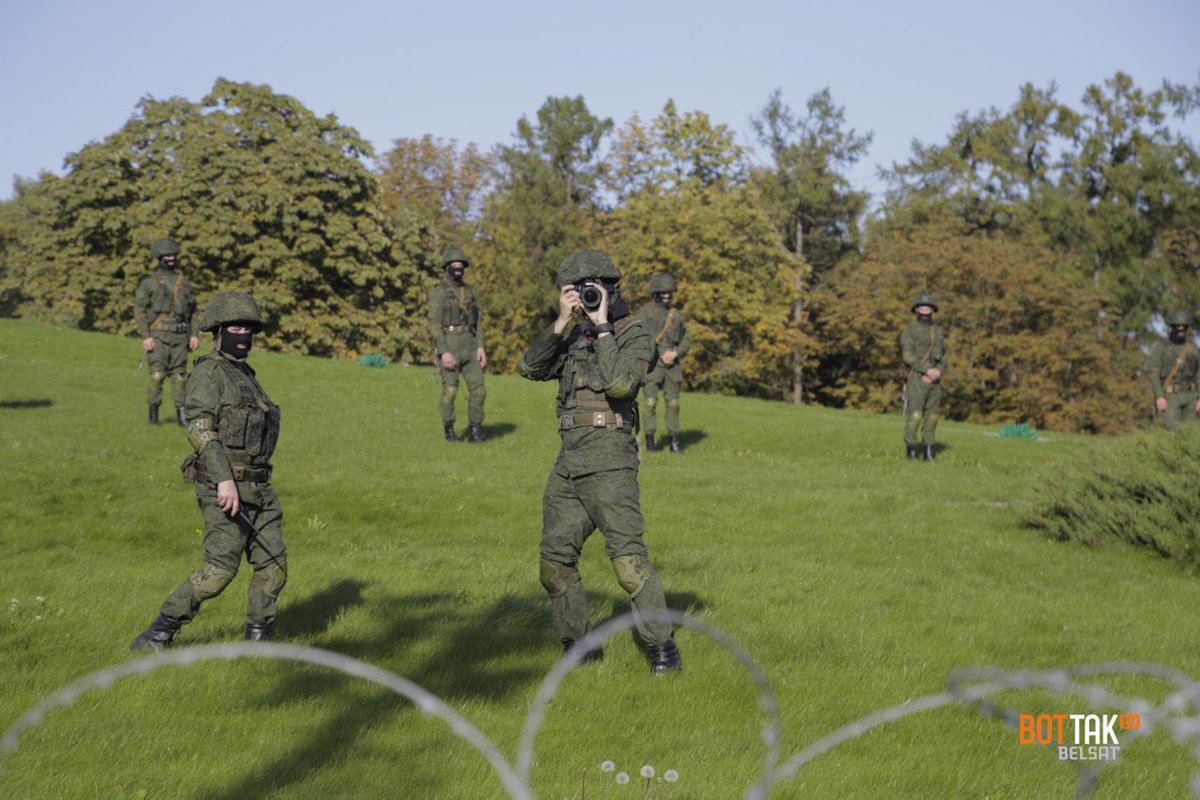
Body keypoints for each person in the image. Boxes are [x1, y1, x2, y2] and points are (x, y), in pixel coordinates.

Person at [518, 249, 682, 674]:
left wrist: (603, 326)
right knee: (554, 563)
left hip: (610, 461)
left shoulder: (634, 334)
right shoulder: (571, 335)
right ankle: (578, 646)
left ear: (611, 287)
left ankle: (662, 648)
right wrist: (559, 322)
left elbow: (623, 384)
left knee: (628, 564)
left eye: (592, 289)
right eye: (577, 290)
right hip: (569, 461)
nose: (586, 296)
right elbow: (528, 368)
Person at [131, 291, 286, 650]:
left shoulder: (245, 374)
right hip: (226, 488)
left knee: (274, 565)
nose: (243, 334)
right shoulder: (208, 373)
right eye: (235, 327)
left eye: (249, 328)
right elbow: (200, 429)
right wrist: (224, 480)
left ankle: (259, 642)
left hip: (260, 486)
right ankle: (158, 633)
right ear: (218, 330)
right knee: (218, 571)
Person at [135, 238, 200, 425]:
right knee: (157, 375)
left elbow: (194, 311)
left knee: (180, 377)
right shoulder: (149, 282)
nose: (171, 258)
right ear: (159, 256)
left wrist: (194, 334)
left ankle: (182, 416)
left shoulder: (184, 282)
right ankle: (153, 415)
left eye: (173, 255)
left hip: (180, 336)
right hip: (158, 336)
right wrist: (146, 336)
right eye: (167, 255)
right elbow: (139, 310)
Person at [428, 247, 488, 442]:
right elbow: (435, 325)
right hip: (450, 344)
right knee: (451, 390)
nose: (458, 269)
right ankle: (449, 430)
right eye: (454, 266)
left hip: (470, 346)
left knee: (479, 390)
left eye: (461, 266)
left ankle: (475, 431)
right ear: (446, 267)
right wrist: (444, 352)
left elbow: (478, 321)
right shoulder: (439, 292)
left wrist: (481, 347)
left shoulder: (470, 291)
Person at [636, 272, 691, 453]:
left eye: (670, 292)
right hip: (653, 365)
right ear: (656, 293)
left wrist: (675, 353)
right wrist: (658, 354)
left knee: (674, 404)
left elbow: (686, 339)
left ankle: (674, 440)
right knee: (650, 402)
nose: (667, 295)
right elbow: (639, 338)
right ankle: (650, 439)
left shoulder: (676, 315)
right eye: (663, 292)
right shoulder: (645, 313)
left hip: (672, 367)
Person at [900, 292, 946, 461]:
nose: (925, 310)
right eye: (922, 307)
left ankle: (929, 451)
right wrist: (927, 371)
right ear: (917, 309)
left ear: (932, 309)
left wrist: (938, 372)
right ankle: (911, 449)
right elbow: (908, 356)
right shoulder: (910, 330)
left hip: (935, 380)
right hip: (916, 379)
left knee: (932, 417)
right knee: (915, 416)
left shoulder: (938, 330)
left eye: (928, 307)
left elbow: (944, 355)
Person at [1147, 307, 1200, 431]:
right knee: (1173, 432)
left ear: (1188, 327)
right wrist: (1159, 396)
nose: (1181, 329)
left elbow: (1199, 374)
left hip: (1192, 397)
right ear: (1172, 326)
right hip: (1170, 398)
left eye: (1184, 326)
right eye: (1177, 326)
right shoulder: (1161, 347)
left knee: (1190, 433)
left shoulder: (1193, 349)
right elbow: (1153, 373)